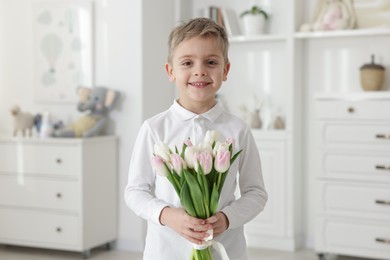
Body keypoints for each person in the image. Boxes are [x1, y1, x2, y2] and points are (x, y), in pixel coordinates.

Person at [124, 17, 268, 260]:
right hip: (166, 251)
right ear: (171, 71)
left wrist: (226, 218)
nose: (199, 70)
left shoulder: (238, 130)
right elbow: (135, 191)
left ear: (226, 70)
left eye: (211, 62)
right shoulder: (154, 128)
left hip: (225, 250)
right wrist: (168, 215)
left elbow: (256, 192)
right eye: (187, 62)